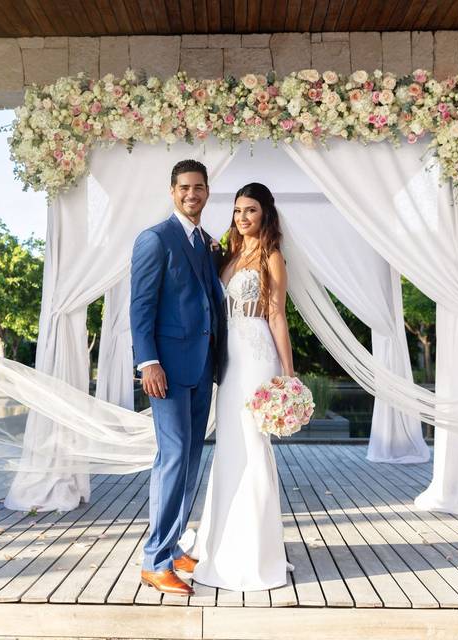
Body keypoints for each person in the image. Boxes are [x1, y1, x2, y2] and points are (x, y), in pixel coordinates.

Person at [129, 159, 228, 596]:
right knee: (172, 459)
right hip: (165, 370)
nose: (193, 194)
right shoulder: (154, 240)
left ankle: (171, 549)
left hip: (202, 366)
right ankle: (154, 560)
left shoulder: (207, 242)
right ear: (173, 191)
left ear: (207, 192)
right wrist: (148, 362)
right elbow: (140, 307)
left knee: (190, 460)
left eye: (200, 187)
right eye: (185, 187)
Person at [189, 182, 294, 591]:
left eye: (250, 210)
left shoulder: (272, 256)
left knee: (252, 445)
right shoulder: (228, 254)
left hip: (256, 354)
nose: (242, 217)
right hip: (228, 359)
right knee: (230, 447)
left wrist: (287, 372)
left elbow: (277, 315)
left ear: (265, 213)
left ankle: (256, 553)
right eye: (236, 211)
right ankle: (220, 543)